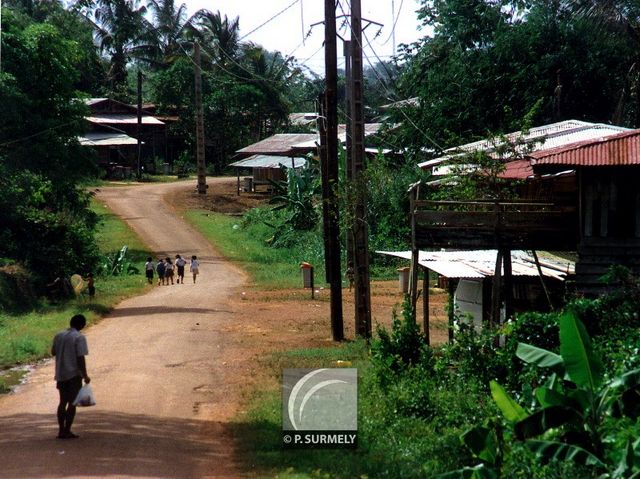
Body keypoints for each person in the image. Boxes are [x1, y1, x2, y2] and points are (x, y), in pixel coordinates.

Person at [51, 314, 90, 439]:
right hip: (73, 374)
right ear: (81, 325)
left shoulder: (59, 335)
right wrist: (85, 375)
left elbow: (53, 352)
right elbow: (80, 358)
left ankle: (61, 430)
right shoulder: (79, 337)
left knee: (62, 402)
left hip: (61, 373)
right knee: (73, 403)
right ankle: (67, 430)